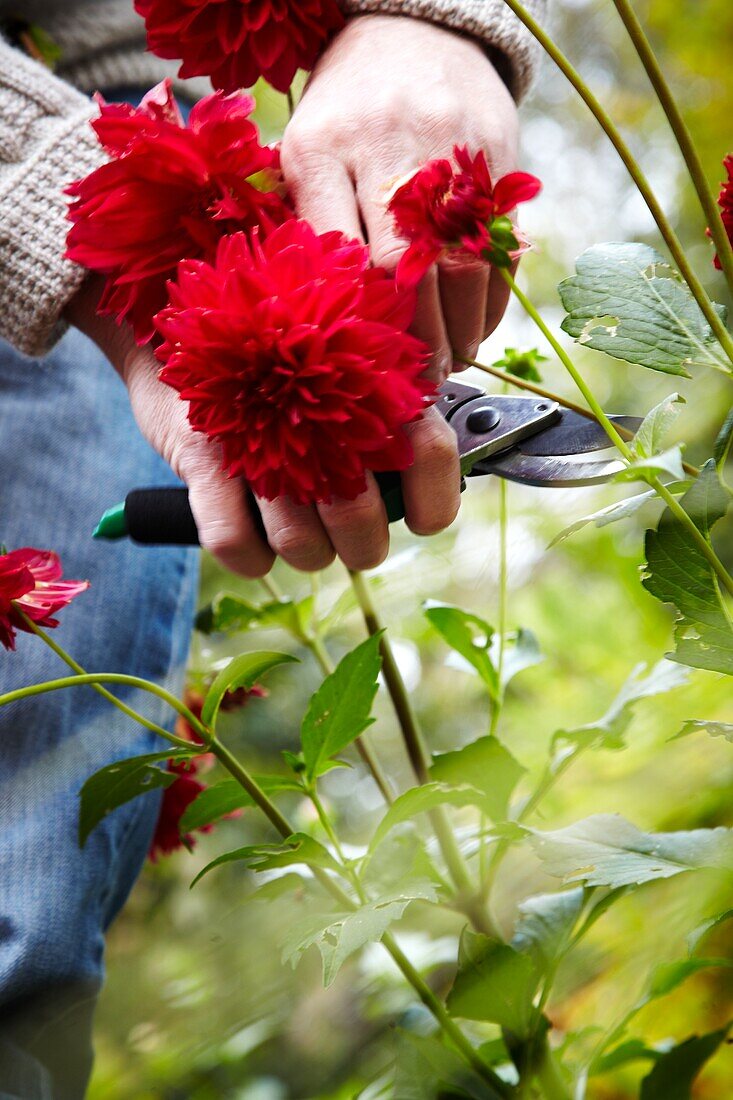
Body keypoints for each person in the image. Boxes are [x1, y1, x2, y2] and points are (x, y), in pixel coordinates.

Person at [0, 1, 545, 1095]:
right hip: (77, 171)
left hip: (130, 115)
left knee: (29, 927)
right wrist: (62, 217)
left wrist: (427, 20)